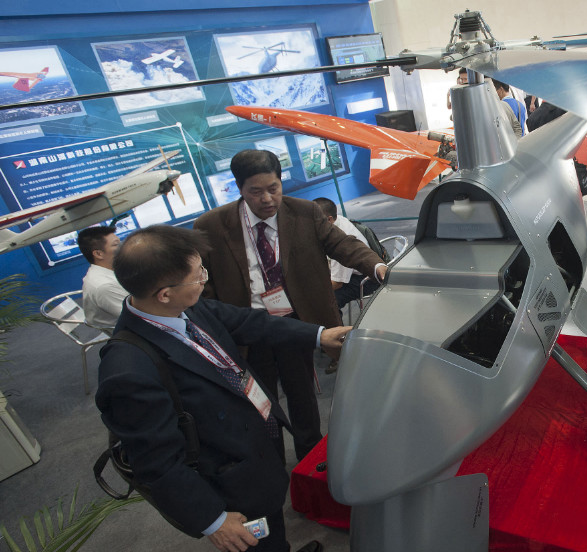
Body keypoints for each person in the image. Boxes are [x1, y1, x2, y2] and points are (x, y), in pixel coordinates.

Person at [96, 224, 344, 552]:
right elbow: (157, 464)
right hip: (227, 479)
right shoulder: (128, 371)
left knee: (272, 525)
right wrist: (213, 520)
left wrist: (318, 335)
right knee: (256, 541)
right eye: (198, 274)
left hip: (254, 444)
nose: (204, 278)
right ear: (164, 293)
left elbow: (248, 323)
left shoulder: (184, 306)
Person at [193, 149, 386, 461]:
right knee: (259, 399)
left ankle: (310, 456)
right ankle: (270, 459)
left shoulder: (305, 213)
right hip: (247, 325)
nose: (267, 198)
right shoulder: (212, 225)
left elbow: (343, 245)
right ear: (240, 189)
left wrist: (377, 267)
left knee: (303, 395)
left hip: (295, 321)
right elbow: (202, 280)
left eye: (274, 188)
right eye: (256, 192)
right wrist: (218, 319)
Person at [312, 198, 379, 310]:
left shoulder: (341, 238)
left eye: (314, 221)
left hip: (365, 279)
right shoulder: (336, 221)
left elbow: (337, 283)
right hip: (355, 272)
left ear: (329, 220)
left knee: (327, 302)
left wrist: (312, 293)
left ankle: (337, 326)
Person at [78, 225, 127, 329]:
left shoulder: (111, 271)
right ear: (99, 254)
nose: (123, 247)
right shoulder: (104, 286)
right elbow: (142, 318)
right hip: (132, 333)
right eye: (116, 245)